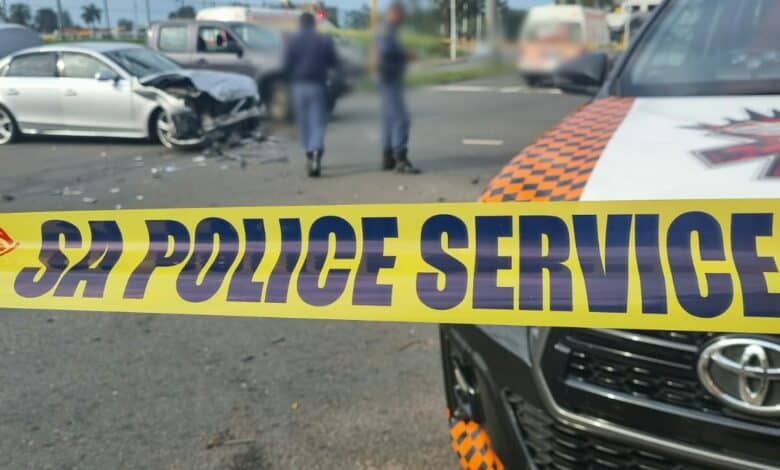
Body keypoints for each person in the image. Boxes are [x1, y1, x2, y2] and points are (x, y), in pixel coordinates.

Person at [284, 12, 339, 177]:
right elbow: (334, 62)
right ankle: (316, 151)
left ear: (300, 24)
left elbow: (286, 65)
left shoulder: (292, 41)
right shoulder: (324, 40)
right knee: (318, 122)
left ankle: (309, 151)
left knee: (303, 122)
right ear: (314, 24)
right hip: (318, 85)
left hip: (299, 86)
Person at [376, 3, 420, 174]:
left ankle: (388, 158)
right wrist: (406, 54)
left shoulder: (389, 28)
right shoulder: (386, 29)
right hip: (389, 78)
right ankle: (400, 157)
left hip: (388, 77)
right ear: (394, 14)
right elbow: (386, 50)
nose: (403, 19)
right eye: (402, 15)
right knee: (401, 118)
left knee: (389, 119)